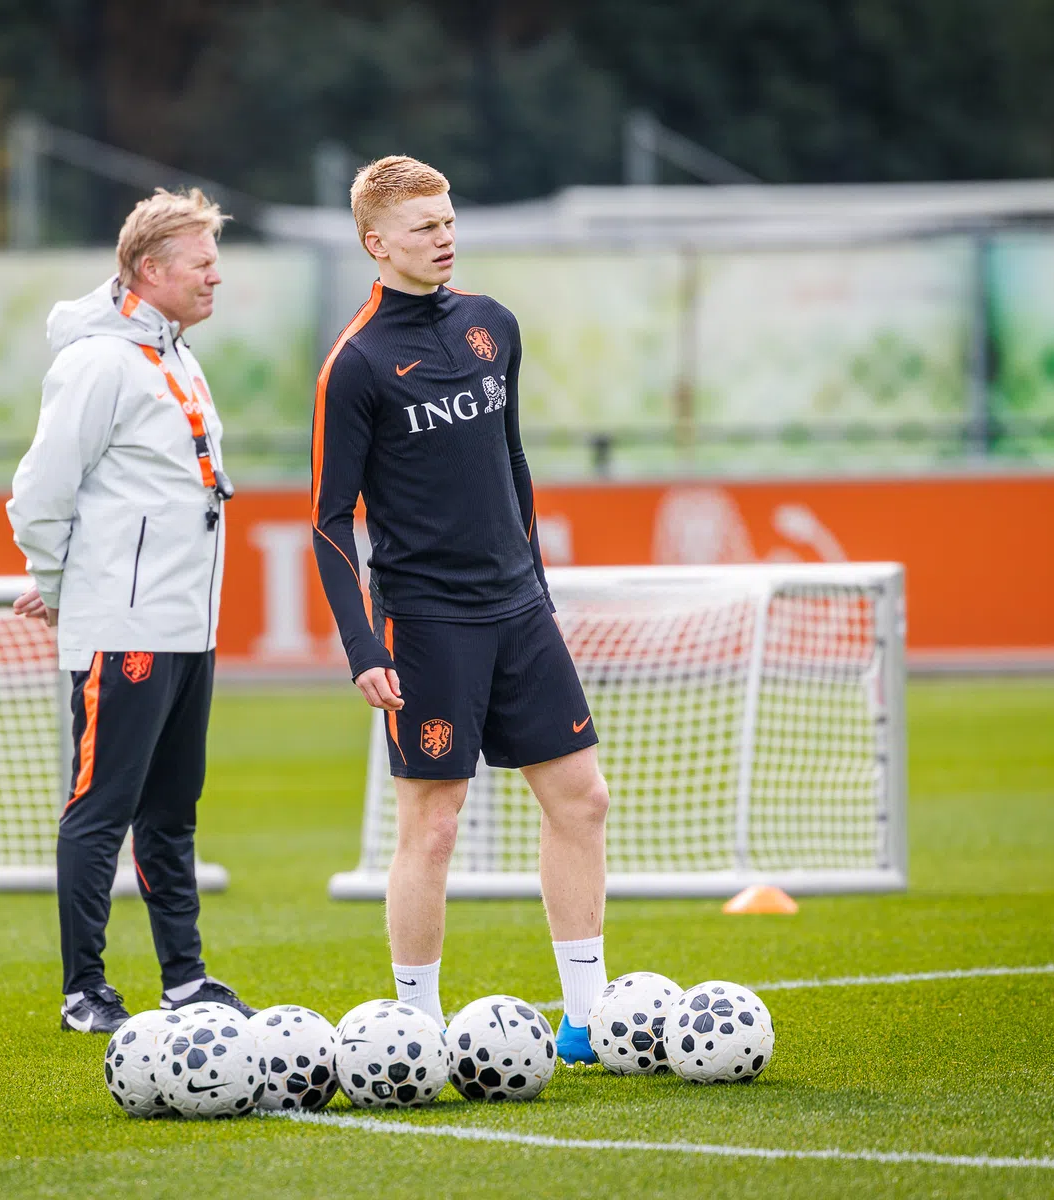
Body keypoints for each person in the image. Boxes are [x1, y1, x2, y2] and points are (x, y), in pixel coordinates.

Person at [310, 156, 613, 1062]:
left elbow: (512, 462)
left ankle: (587, 1021)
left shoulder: (492, 326)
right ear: (376, 244)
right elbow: (328, 521)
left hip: (519, 608)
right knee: (433, 825)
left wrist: (538, 587)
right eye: (422, 228)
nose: (443, 238)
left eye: (447, 221)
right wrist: (364, 646)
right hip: (426, 620)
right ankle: (418, 1028)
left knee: (583, 799)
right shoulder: (355, 364)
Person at [7, 188, 254, 1034]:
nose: (216, 276)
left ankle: (184, 979)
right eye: (202, 262)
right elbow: (39, 491)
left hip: (187, 626)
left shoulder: (176, 354)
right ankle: (85, 991)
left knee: (171, 812)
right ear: (149, 270)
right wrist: (58, 581)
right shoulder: (97, 362)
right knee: (100, 810)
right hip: (127, 630)